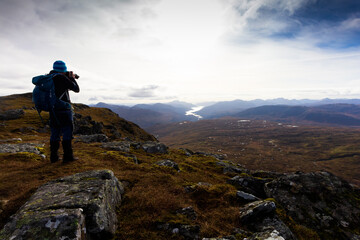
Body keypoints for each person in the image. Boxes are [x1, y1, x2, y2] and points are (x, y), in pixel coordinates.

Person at [49, 60, 80, 163]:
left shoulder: (49, 77)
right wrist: (72, 78)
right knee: (67, 132)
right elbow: (76, 89)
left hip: (53, 110)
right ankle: (68, 157)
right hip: (64, 110)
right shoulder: (62, 78)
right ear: (63, 70)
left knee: (55, 132)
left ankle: (54, 157)